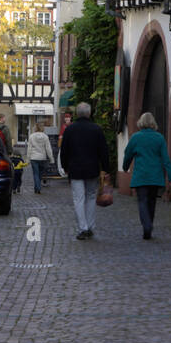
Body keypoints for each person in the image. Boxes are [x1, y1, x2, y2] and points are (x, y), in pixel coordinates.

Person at [59, 102, 110, 240]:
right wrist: (105, 168)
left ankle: (83, 228)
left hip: (75, 169)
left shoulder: (70, 130)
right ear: (89, 113)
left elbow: (64, 151)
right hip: (92, 169)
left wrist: (65, 167)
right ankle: (91, 226)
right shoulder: (96, 129)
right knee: (91, 197)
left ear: (77, 114)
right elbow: (103, 151)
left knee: (78, 199)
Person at [122, 112, 171, 240]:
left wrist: (125, 167)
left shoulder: (135, 137)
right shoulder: (159, 138)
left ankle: (147, 225)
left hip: (141, 175)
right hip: (155, 176)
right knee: (152, 202)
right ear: (153, 123)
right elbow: (166, 159)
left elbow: (128, 154)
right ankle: (149, 225)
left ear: (140, 123)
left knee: (142, 201)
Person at [26, 125, 52, 194]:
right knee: (40, 174)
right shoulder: (45, 137)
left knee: (35, 174)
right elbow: (48, 149)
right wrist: (51, 158)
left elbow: (29, 149)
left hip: (34, 158)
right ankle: (37, 187)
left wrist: (27, 159)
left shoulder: (31, 136)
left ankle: (37, 188)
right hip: (42, 158)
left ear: (35, 128)